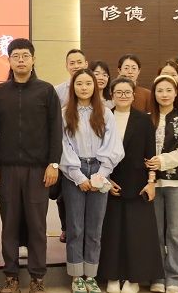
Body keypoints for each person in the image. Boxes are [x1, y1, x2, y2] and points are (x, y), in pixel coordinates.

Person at [0, 38, 62, 293]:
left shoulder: (46, 91)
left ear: (33, 59)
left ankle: (37, 277)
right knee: (9, 223)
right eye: (15, 56)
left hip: (38, 169)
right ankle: (11, 276)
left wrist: (53, 163)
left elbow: (56, 130)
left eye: (25, 55)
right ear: (9, 60)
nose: (20, 60)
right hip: (7, 169)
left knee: (37, 225)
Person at [59, 68, 124, 293]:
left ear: (95, 86)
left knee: (95, 228)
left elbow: (113, 145)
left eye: (88, 83)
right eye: (79, 84)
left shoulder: (105, 113)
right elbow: (63, 146)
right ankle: (77, 276)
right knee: (75, 227)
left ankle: (91, 276)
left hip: (100, 168)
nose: (84, 87)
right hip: (73, 170)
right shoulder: (65, 113)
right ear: (73, 87)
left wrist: (100, 175)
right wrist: (78, 176)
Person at [98, 77, 162, 293]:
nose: (123, 96)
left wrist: (151, 182)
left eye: (127, 92)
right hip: (111, 183)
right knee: (112, 232)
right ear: (112, 95)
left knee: (137, 233)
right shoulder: (104, 118)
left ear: (134, 95)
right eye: (119, 92)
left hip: (138, 185)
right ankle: (112, 277)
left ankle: (134, 279)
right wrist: (105, 180)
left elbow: (151, 155)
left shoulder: (144, 121)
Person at [145, 75, 178, 293]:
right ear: (154, 94)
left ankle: (175, 277)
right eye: (159, 90)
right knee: (155, 231)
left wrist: (162, 161)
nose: (164, 94)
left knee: (175, 231)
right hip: (151, 184)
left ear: (176, 93)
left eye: (168, 90)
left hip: (177, 183)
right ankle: (157, 276)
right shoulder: (146, 118)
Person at [54, 49, 88, 243]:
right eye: (72, 63)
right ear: (66, 66)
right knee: (63, 196)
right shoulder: (58, 90)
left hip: (89, 150)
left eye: (79, 62)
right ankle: (66, 227)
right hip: (66, 149)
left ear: (86, 64)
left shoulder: (92, 86)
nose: (76, 66)